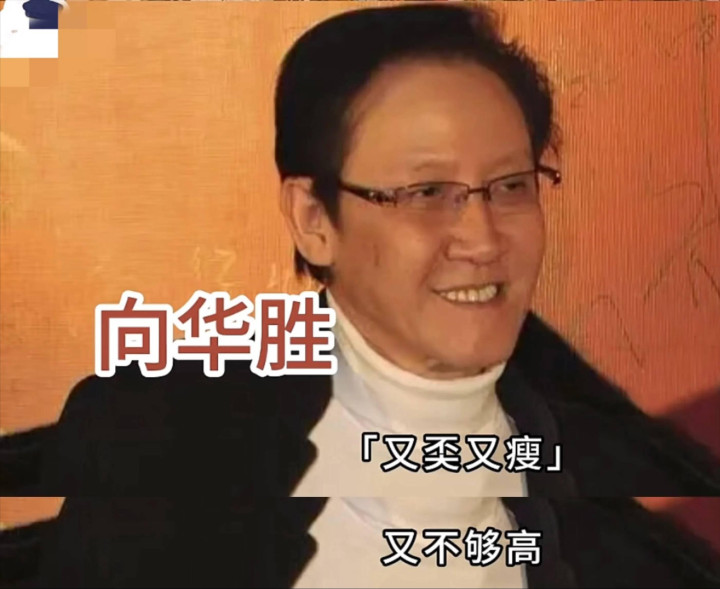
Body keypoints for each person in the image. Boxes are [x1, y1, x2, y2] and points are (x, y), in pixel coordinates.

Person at [1, 3, 720, 588]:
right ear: (314, 220)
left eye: (510, 186)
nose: (481, 237)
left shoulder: (597, 479)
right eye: (426, 192)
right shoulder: (162, 448)